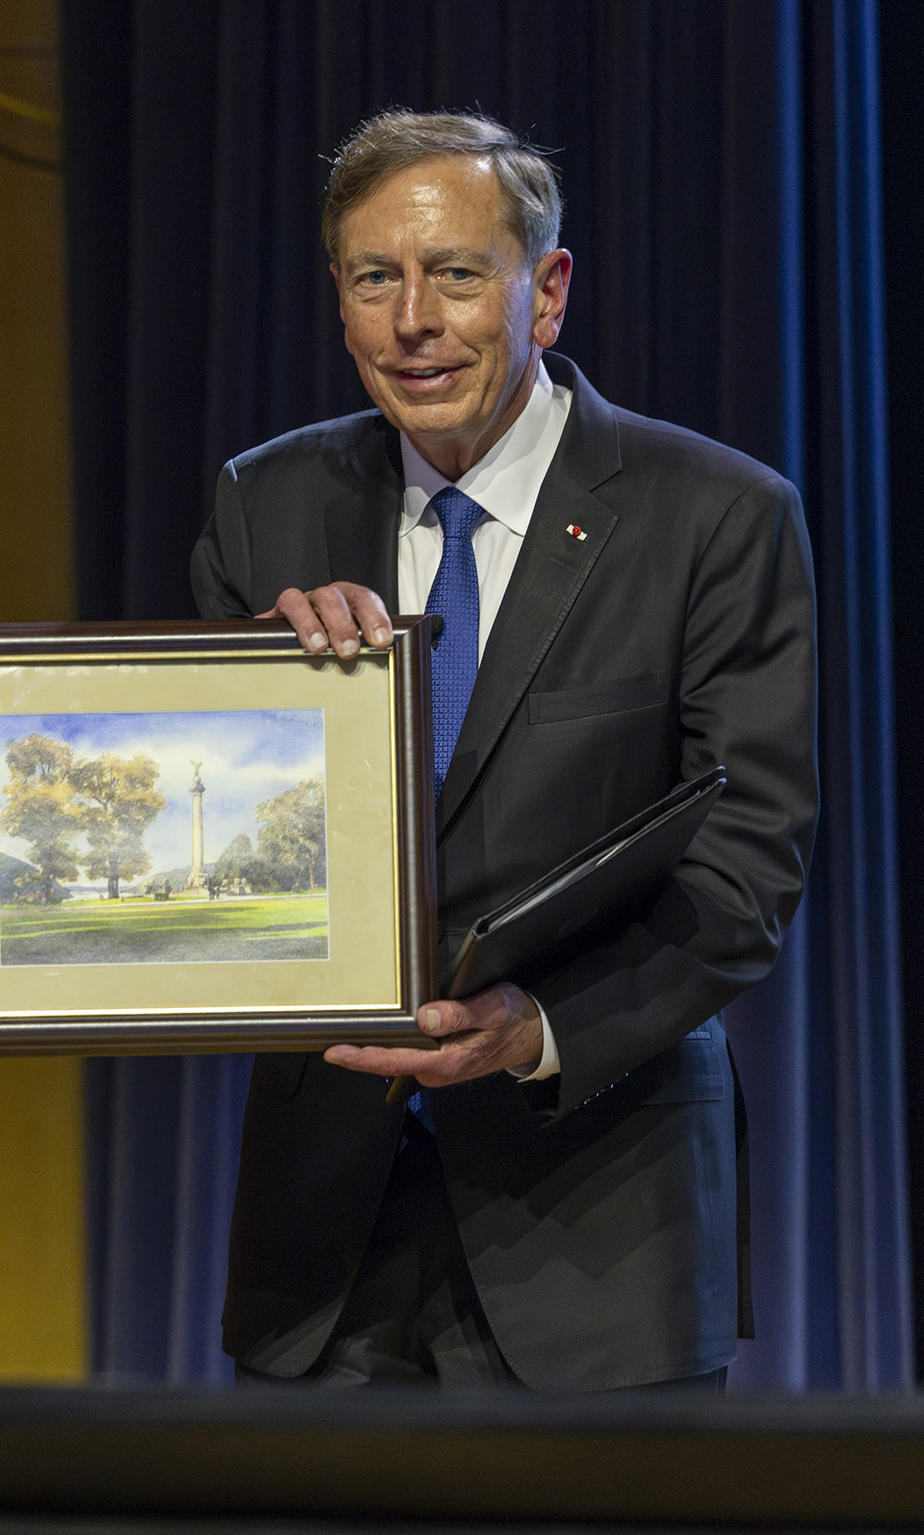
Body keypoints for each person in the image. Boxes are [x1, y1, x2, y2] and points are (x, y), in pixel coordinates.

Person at [190, 109, 817, 1390]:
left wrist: (534, 1027)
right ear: (343, 303)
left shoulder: (717, 515)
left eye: (458, 274)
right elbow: (212, 864)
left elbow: (745, 869)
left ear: (547, 293)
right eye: (377, 278)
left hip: (598, 1225)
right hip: (322, 1254)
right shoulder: (269, 503)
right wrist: (248, 709)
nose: (414, 318)